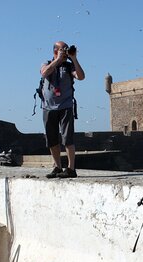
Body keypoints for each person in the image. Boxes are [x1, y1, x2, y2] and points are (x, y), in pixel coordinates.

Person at [40, 40, 85, 179]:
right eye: (62, 49)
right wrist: (57, 60)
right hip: (48, 107)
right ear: (55, 50)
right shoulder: (47, 63)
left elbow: (81, 77)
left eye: (66, 49)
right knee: (52, 139)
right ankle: (57, 167)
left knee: (68, 138)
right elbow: (44, 73)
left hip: (65, 106)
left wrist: (74, 59)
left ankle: (71, 169)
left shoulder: (69, 66)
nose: (65, 51)